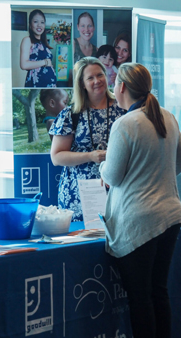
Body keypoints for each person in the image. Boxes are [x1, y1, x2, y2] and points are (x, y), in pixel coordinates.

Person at [99, 63, 181, 338]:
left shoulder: (125, 124)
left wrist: (102, 166)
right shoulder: (167, 116)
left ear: (122, 87)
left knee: (141, 298)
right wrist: (157, 174)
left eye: (114, 82)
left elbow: (112, 176)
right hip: (171, 215)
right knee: (158, 291)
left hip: (139, 220)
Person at [49, 57, 126, 222]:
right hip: (77, 195)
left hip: (117, 191)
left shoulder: (123, 110)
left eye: (100, 75)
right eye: (90, 78)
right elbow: (56, 157)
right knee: (80, 245)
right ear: (82, 84)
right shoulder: (70, 114)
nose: (97, 81)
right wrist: (90, 156)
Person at [20, 9, 57, 88]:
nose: (39, 25)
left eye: (42, 22)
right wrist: (45, 62)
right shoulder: (27, 40)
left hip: (51, 85)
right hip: (36, 84)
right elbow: (24, 65)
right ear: (30, 25)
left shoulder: (44, 43)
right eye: (36, 21)